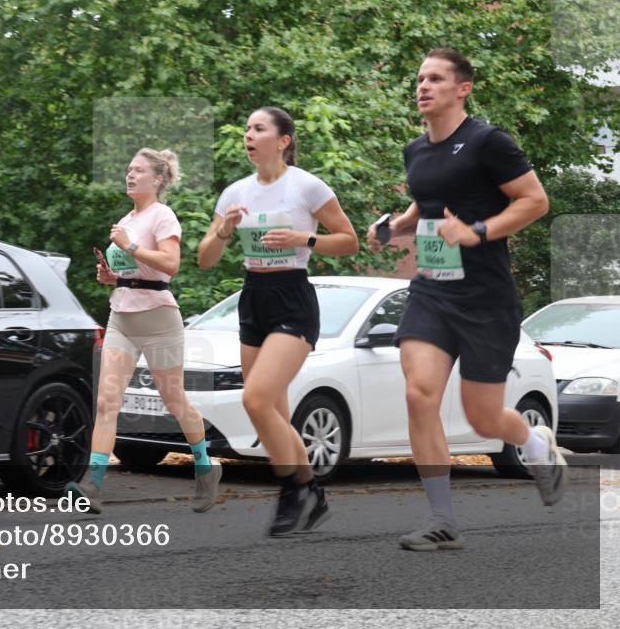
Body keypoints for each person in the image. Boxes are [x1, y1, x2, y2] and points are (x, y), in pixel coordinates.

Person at [367, 47, 566, 551]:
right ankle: (442, 517)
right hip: (433, 291)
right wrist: (394, 228)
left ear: (463, 88)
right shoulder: (417, 150)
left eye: (435, 79)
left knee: (482, 417)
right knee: (419, 394)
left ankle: (536, 443)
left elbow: (534, 201)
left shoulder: (488, 142)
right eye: (419, 79)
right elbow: (424, 205)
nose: (423, 86)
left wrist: (479, 230)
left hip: (485, 298)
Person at [198, 107, 359, 536]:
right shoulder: (235, 193)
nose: (248, 135)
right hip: (253, 298)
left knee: (255, 400)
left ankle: (292, 488)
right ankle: (312, 492)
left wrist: (302, 238)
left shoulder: (306, 186)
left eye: (258, 128)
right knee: (270, 412)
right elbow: (204, 259)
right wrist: (223, 230)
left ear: (283, 140)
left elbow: (349, 241)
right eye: (247, 129)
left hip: (293, 300)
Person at [67, 148, 222, 514]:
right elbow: (134, 272)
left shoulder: (162, 216)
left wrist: (130, 246)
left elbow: (170, 265)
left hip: (159, 320)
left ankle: (204, 467)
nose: (130, 175)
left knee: (173, 400)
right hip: (122, 316)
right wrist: (112, 276)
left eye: (138, 170)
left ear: (158, 179)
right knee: (106, 402)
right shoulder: (126, 218)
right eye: (128, 169)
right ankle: (94, 483)